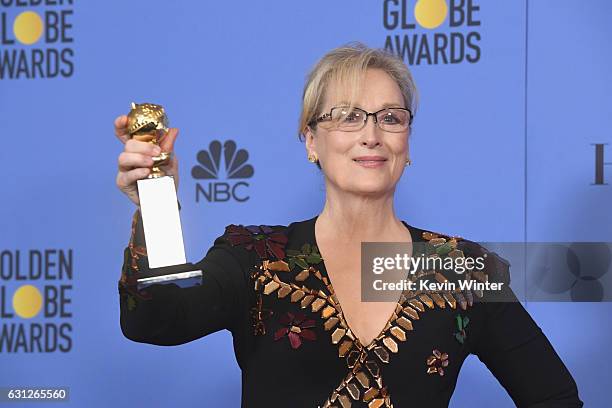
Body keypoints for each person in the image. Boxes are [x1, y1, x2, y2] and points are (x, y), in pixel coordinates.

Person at [114, 43, 583, 407]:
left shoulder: (462, 269)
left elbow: (555, 398)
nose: (372, 134)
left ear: (407, 141)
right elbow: (153, 320)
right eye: (347, 116)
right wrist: (154, 200)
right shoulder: (254, 257)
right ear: (311, 140)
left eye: (391, 118)